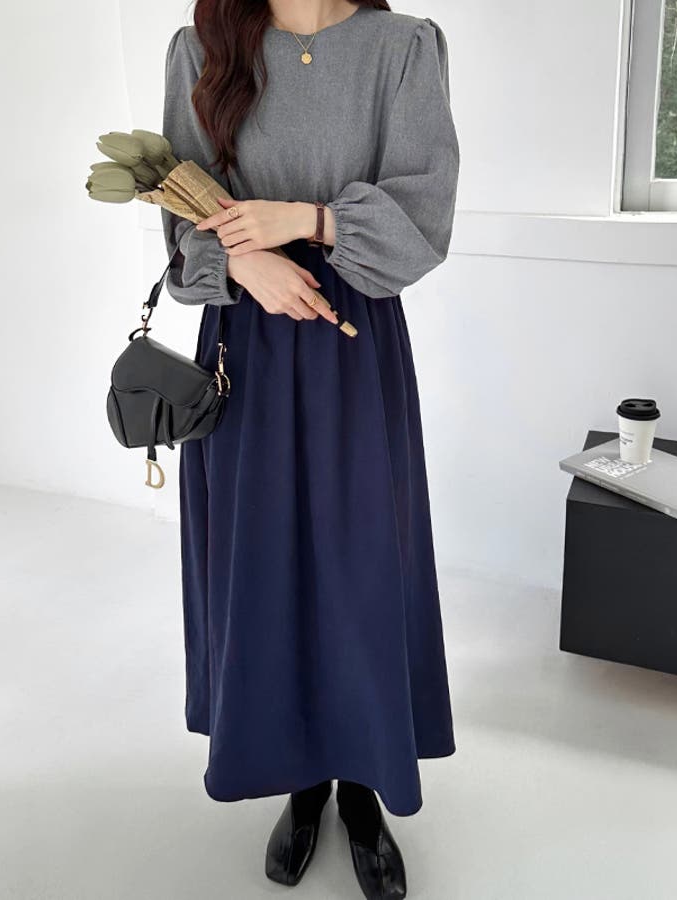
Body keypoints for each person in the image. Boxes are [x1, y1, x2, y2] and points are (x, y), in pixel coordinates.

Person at [161, 2, 459, 897]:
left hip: (351, 336)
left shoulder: (403, 47)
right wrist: (244, 261)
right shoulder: (200, 47)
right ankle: (299, 783)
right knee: (263, 562)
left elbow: (425, 210)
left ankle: (363, 790)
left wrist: (305, 220)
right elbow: (178, 212)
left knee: (363, 561)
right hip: (243, 342)